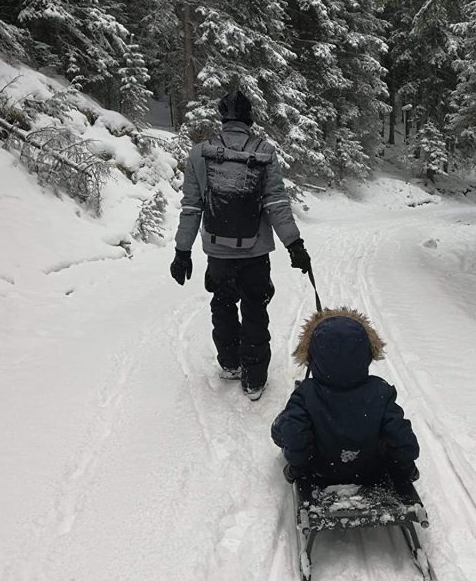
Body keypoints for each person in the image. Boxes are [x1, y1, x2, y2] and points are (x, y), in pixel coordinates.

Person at [170, 90, 311, 400]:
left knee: (222, 304)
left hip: (217, 250)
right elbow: (276, 202)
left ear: (222, 117)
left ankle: (230, 363)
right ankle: (254, 379)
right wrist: (294, 244)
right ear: (250, 119)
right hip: (255, 251)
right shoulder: (264, 152)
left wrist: (183, 251)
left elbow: (192, 207)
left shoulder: (199, 154)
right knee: (255, 309)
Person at [271, 307, 420, 485]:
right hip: (369, 468)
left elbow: (294, 433)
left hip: (322, 469)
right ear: (367, 353)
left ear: (311, 355)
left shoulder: (306, 393)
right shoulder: (380, 391)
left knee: (285, 425)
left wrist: (297, 466)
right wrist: (406, 465)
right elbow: (400, 434)